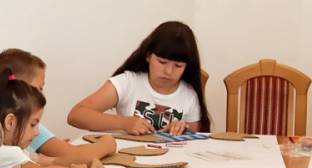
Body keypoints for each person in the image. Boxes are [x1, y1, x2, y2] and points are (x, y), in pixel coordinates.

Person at [68, 21, 211, 135]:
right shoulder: (128, 82)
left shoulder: (189, 95)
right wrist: (124, 123)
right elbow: (76, 115)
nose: (168, 71)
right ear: (148, 56)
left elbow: (194, 141)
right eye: (162, 62)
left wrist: (180, 130)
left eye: (178, 66)